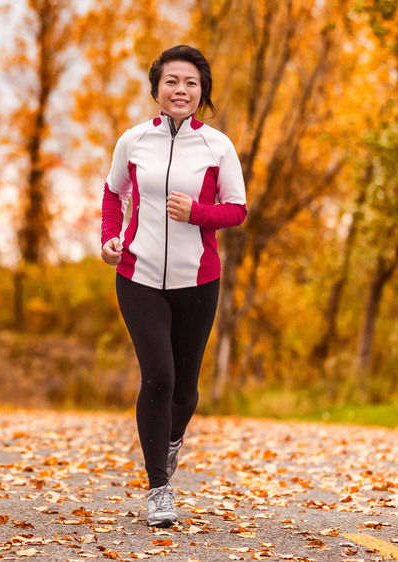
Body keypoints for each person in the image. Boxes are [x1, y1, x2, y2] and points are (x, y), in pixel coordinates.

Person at [99, 45, 247, 527]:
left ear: (201, 91)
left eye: (190, 83)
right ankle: (158, 488)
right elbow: (113, 192)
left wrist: (198, 213)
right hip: (137, 276)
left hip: (197, 280)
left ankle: (172, 441)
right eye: (171, 81)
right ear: (156, 89)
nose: (180, 90)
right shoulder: (134, 140)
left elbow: (237, 210)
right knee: (158, 377)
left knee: (185, 390)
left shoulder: (218, 147)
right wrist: (109, 238)